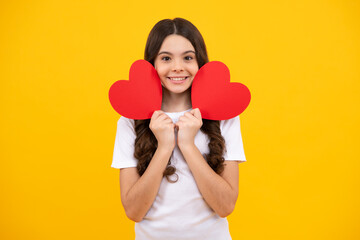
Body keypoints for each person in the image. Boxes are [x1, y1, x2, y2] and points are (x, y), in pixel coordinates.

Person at [111, 18, 246, 240]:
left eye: (188, 57)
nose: (177, 67)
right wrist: (164, 146)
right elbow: (134, 211)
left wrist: (187, 144)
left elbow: (225, 206)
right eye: (166, 58)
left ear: (199, 62)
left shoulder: (224, 117)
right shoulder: (130, 120)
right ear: (152, 64)